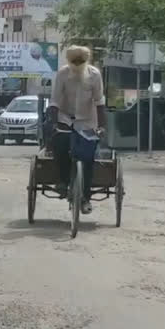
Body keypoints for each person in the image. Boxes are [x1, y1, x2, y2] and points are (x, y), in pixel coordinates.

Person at [47, 45, 106, 215]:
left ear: (86, 61)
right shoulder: (62, 74)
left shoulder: (95, 75)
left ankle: (85, 198)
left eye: (81, 61)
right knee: (61, 146)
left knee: (88, 159)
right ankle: (64, 183)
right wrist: (53, 123)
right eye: (75, 61)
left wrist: (102, 126)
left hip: (87, 122)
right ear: (69, 61)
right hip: (65, 119)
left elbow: (100, 102)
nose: (78, 64)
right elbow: (55, 101)